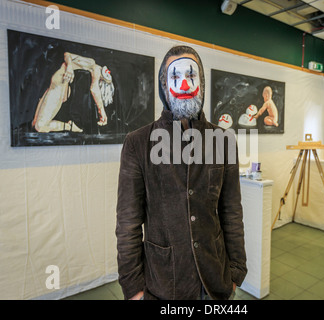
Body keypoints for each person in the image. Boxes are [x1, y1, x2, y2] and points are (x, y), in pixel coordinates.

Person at [116, 45, 247, 300]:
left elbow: (232, 211)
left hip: (216, 281)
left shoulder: (223, 140)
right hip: (164, 283)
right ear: (164, 86)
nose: (184, 84)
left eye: (191, 76)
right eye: (175, 77)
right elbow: (128, 223)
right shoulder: (138, 143)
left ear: (202, 82)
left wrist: (236, 271)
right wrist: (133, 289)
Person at [32, 52, 114, 133]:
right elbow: (94, 89)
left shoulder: (91, 64)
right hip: (60, 82)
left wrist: (69, 68)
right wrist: (102, 111)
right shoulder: (96, 69)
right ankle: (70, 126)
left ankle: (70, 126)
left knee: (35, 124)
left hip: (60, 81)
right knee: (39, 126)